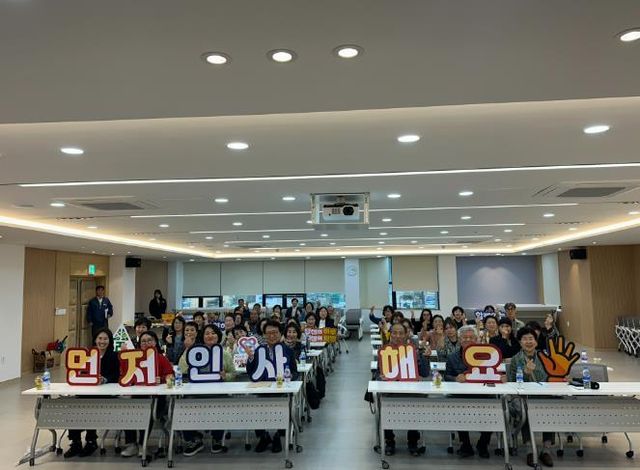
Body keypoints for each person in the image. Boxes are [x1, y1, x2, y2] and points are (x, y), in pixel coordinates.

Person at [64, 328, 120, 458]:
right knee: (74, 406)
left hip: (105, 394)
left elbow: (116, 375)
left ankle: (91, 441)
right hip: (88, 390)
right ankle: (76, 442)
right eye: (100, 338)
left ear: (110, 341)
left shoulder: (114, 356)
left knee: (91, 406)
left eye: (105, 339)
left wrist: (105, 379)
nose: (102, 341)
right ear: (95, 339)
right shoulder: (88, 355)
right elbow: (80, 372)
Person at [181, 324, 236, 456]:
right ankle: (193, 439)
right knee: (182, 406)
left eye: (213, 333)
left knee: (222, 405)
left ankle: (217, 438)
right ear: (202, 336)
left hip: (218, 393)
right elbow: (182, 368)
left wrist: (226, 376)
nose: (210, 336)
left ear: (218, 336)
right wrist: (187, 349)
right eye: (207, 333)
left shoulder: (225, 353)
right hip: (195, 393)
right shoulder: (195, 352)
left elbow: (233, 373)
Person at [245, 320, 299, 453]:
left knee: (281, 406)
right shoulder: (259, 350)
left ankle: (277, 437)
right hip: (262, 389)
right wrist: (250, 357)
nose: (272, 336)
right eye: (268, 333)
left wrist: (290, 376)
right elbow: (250, 372)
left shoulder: (287, 350)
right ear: (264, 335)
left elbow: (295, 371)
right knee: (256, 407)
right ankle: (264, 437)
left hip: (281, 390)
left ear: (280, 334)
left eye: (275, 332)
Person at [507, 327, 555, 468]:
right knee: (525, 410)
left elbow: (550, 377)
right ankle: (529, 450)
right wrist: (526, 373)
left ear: (536, 342)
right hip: (523, 397)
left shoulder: (545, 357)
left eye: (531, 339)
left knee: (551, 408)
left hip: (544, 395)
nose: (528, 342)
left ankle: (546, 450)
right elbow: (512, 382)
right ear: (520, 342)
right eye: (525, 339)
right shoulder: (515, 359)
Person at [121, 330, 174, 457]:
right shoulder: (134, 359)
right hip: (137, 397)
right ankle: (131, 444)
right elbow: (124, 375)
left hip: (157, 400)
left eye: (149, 340)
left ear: (155, 342)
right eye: (143, 341)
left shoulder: (161, 358)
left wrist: (161, 379)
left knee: (148, 411)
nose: (146, 343)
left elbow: (171, 377)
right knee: (127, 410)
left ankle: (142, 444)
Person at [381, 322, 431, 456]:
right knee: (384, 406)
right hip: (391, 393)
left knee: (414, 407)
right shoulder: (384, 351)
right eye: (394, 333)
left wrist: (426, 358)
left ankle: (413, 441)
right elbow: (377, 375)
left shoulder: (414, 351)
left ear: (406, 335)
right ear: (390, 334)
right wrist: (381, 377)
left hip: (411, 392)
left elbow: (425, 373)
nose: (397, 336)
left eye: (401, 333)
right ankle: (389, 441)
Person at [445, 326, 493, 458]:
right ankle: (465, 444)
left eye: (471, 337)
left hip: (483, 394)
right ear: (459, 339)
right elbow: (446, 376)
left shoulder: (486, 355)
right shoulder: (452, 357)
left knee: (494, 408)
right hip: (461, 395)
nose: (468, 340)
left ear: (476, 339)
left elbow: (492, 373)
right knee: (457, 408)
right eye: (464, 337)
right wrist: (455, 378)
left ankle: (483, 444)